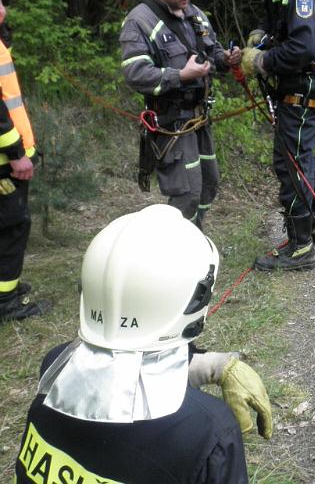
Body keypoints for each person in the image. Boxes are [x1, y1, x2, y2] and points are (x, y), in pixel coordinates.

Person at [15, 204, 273, 484]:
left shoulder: (54, 367)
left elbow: (118, 376)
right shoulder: (209, 430)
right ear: (196, 300)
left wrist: (211, 366)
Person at [227, 0, 315, 271]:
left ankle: (300, 245)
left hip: (306, 87)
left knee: (291, 164)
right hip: (302, 85)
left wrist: (260, 60)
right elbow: (282, 27)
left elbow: (303, 48)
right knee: (303, 157)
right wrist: (260, 37)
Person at [120, 0, 241, 230]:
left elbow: (212, 53)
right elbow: (135, 74)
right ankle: (169, 256)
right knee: (187, 194)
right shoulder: (140, 21)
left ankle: (193, 242)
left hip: (200, 120)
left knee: (209, 186)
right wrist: (181, 75)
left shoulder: (195, 14)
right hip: (171, 123)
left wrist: (226, 58)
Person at [0, 0, 50, 321]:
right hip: (5, 157)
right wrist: (16, 154)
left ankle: (7, 284)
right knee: (13, 223)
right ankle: (5, 300)